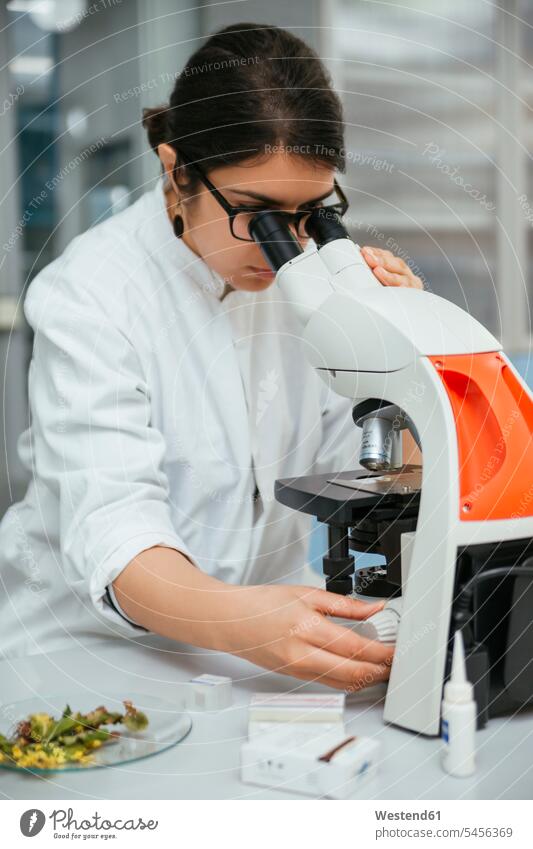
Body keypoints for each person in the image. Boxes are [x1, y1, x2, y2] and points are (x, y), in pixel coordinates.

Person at [0, 24, 422, 689]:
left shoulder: (313, 289)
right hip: (90, 658)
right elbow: (116, 531)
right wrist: (243, 621)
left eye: (310, 213)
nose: (281, 244)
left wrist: (408, 361)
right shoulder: (92, 292)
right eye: (254, 213)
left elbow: (385, 478)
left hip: (266, 655)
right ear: (176, 172)